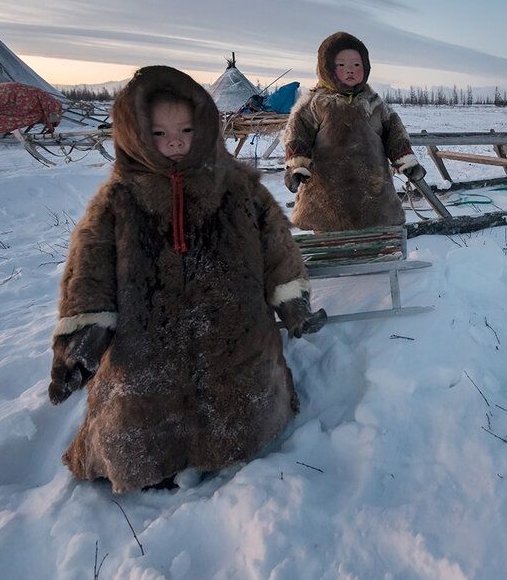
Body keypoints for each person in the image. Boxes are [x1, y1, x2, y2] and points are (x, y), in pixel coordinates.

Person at [47, 65, 326, 493]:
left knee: (243, 408)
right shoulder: (118, 199)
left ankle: (236, 443)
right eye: (158, 133)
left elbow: (278, 248)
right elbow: (89, 272)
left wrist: (293, 304)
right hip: (146, 343)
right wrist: (80, 346)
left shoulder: (239, 188)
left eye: (186, 129)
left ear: (206, 126)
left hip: (234, 337)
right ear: (133, 133)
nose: (174, 141)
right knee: (136, 418)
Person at [281, 31, 425, 232]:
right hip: (327, 195)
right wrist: (296, 166)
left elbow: (395, 134)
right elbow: (297, 135)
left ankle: (377, 260)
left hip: (373, 193)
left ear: (365, 68)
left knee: (376, 236)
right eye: (341, 65)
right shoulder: (315, 104)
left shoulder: (374, 104)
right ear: (326, 68)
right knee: (329, 239)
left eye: (356, 65)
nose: (350, 70)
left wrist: (405, 161)